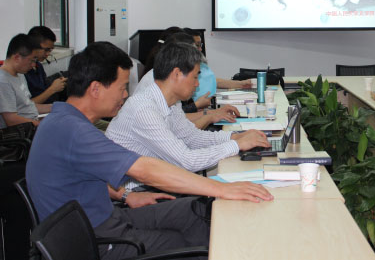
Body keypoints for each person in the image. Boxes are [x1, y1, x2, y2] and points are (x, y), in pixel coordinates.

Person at [26, 41, 273, 259]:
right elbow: (146, 170)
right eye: (122, 87)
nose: (125, 95)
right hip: (97, 238)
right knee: (190, 243)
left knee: (195, 211)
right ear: (96, 89)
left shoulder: (64, 122)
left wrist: (124, 196)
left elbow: (79, 178)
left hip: (108, 216)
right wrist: (222, 188)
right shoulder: (73, 131)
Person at [106, 41, 270, 191]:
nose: (197, 84)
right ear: (177, 74)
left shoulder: (171, 102)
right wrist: (237, 145)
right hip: (135, 192)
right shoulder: (144, 110)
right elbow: (186, 161)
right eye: (195, 76)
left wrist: (234, 137)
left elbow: (191, 137)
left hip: (156, 184)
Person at [135, 32, 240, 129]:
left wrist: (211, 114)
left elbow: (184, 128)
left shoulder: (171, 90)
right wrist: (209, 116)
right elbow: (180, 137)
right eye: (195, 77)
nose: (197, 84)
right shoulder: (147, 105)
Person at [0, 34, 51, 127]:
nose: (33, 65)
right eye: (32, 60)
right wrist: (41, 125)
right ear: (17, 58)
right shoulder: (3, 81)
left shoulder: (20, 74)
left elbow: (27, 106)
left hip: (32, 122)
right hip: (20, 132)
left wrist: (56, 107)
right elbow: (11, 120)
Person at [25, 26, 67, 104]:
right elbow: (26, 106)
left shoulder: (39, 66)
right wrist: (52, 89)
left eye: (50, 50)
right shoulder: (22, 71)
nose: (48, 54)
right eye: (46, 50)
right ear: (33, 46)